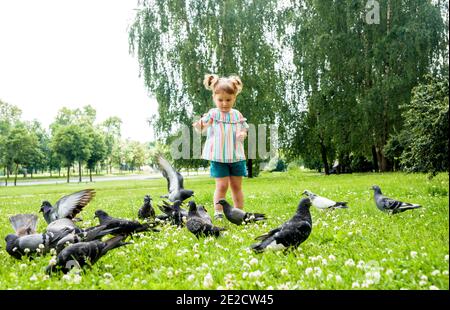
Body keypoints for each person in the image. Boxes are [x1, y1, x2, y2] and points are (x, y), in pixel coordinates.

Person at [192, 74, 249, 220]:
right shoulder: (213, 114)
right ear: (214, 98)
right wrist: (199, 126)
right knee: (222, 186)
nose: (224, 103)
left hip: (236, 156)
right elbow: (201, 128)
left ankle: (239, 213)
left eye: (228, 100)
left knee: (236, 187)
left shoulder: (237, 115)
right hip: (218, 157)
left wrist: (242, 134)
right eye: (220, 100)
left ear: (234, 98)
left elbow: (244, 129)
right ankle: (218, 212)